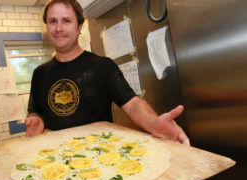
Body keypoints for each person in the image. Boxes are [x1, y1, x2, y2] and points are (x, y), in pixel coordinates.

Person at [25, 0, 190, 145]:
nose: (58, 28)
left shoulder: (102, 66)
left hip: (102, 156)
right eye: (52, 21)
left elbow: (132, 104)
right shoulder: (39, 74)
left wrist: (154, 123)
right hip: (58, 158)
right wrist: (36, 120)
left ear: (79, 26)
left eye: (66, 21)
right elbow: (35, 111)